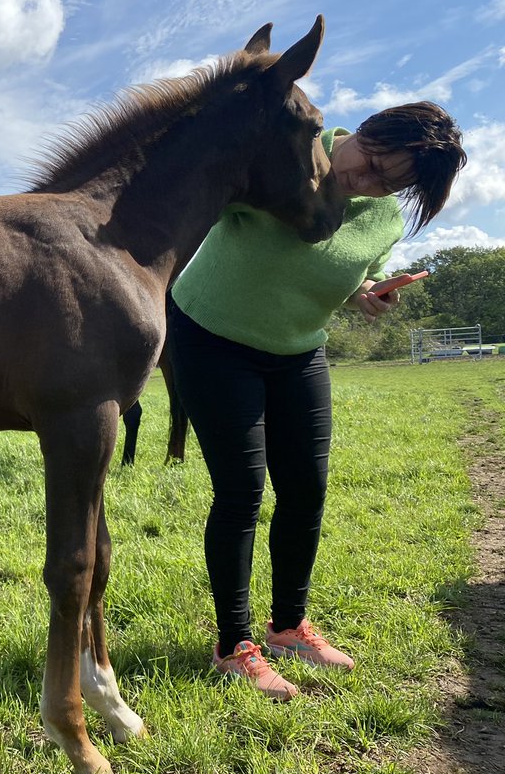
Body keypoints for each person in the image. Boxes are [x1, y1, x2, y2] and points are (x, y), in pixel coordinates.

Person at [167, 101, 467, 700]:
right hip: (211, 337)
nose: (367, 180)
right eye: (372, 159)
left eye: (390, 181)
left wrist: (368, 294)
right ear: (363, 130)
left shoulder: (381, 215)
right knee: (241, 491)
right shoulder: (287, 155)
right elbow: (207, 194)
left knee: (306, 488)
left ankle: (287, 626)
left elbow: (355, 271)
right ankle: (234, 645)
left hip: (298, 349)